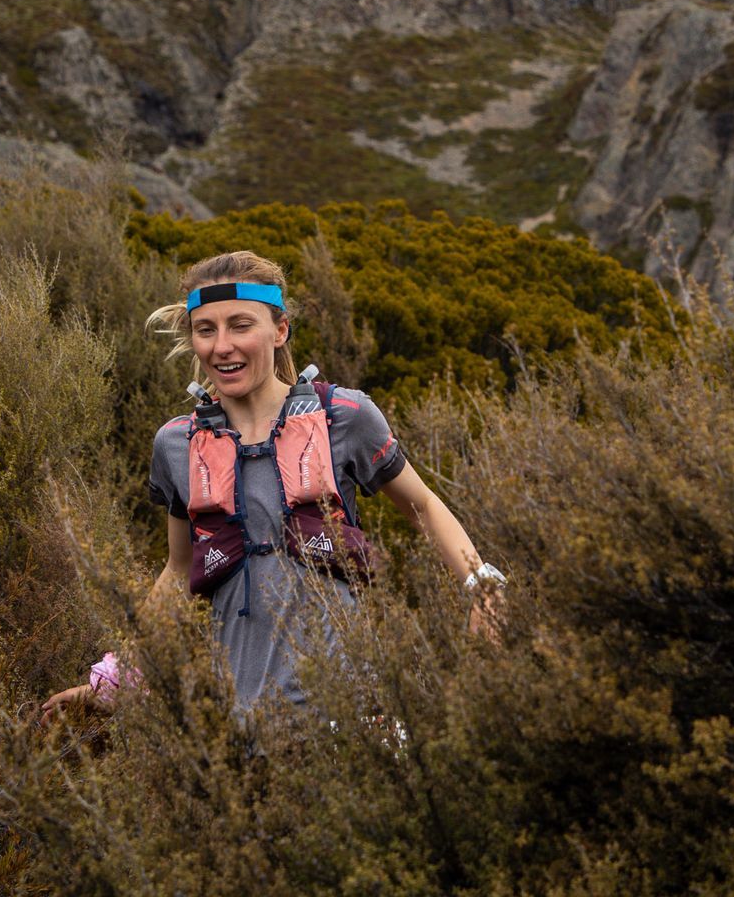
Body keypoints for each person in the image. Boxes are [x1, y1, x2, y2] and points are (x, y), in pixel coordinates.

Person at [41, 249, 503, 721]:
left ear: (279, 331)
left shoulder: (345, 416)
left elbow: (422, 506)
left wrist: (483, 588)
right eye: (207, 329)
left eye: (241, 325)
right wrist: (113, 681)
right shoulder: (177, 444)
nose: (222, 346)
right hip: (239, 734)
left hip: (353, 723)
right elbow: (179, 571)